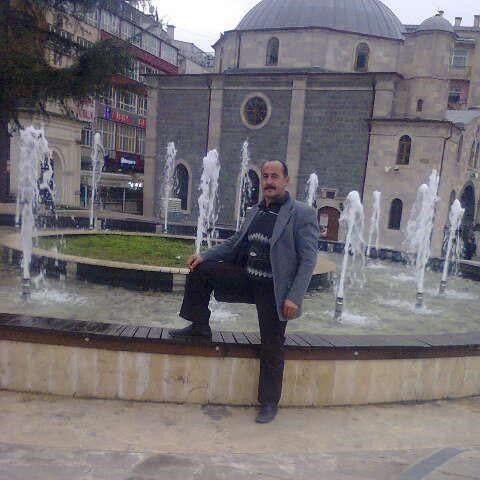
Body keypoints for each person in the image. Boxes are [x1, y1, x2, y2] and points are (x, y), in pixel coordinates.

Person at [171, 160, 319, 423]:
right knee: (201, 270)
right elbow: (234, 243)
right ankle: (199, 325)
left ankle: (269, 402)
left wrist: (294, 297)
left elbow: (308, 260)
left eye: (274, 176)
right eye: (265, 176)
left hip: (274, 289)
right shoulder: (255, 211)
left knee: (272, 345)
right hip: (247, 279)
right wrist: (204, 255)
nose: (269, 181)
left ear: (286, 180)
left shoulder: (302, 214)